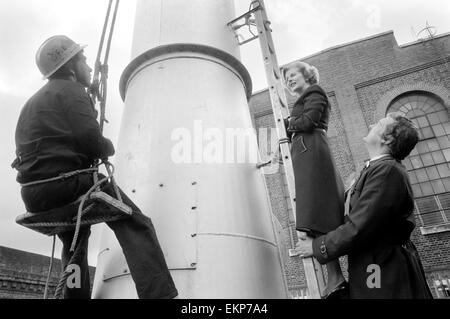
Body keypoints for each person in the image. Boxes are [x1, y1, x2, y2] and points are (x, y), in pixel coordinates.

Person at [12, 35, 178, 299]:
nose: (89, 68)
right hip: (67, 185)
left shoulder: (30, 104)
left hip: (33, 196)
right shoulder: (71, 91)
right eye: (84, 61)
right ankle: (159, 295)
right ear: (70, 67)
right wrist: (108, 147)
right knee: (136, 223)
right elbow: (90, 140)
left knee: (74, 239)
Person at [295, 112, 433, 299]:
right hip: (375, 265)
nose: (371, 125)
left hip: (381, 268)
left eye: (378, 124)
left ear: (388, 139)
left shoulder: (386, 171)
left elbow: (359, 226)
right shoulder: (378, 168)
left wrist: (318, 247)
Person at [281, 61, 346, 298]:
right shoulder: (303, 98)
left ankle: (336, 277)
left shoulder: (315, 92)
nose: (288, 80)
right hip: (304, 154)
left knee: (320, 211)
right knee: (314, 213)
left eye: (292, 74)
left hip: (313, 152)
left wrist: (286, 124)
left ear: (307, 75)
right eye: (285, 78)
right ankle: (333, 277)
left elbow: (308, 122)